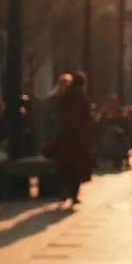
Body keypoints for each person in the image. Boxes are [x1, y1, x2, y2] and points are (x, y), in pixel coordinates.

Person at [47, 72, 96, 205]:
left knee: (65, 168)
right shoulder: (81, 98)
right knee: (76, 169)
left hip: (65, 138)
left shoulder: (65, 97)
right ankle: (73, 195)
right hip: (78, 140)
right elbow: (86, 119)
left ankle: (64, 191)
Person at [40, 73, 72, 156]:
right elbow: (48, 115)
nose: (66, 89)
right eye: (65, 86)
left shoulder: (69, 100)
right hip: (52, 135)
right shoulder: (52, 99)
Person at [96, 95, 128, 170]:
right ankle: (105, 158)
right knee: (106, 139)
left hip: (118, 133)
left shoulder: (119, 111)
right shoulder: (104, 111)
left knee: (115, 138)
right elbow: (99, 122)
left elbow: (123, 123)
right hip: (106, 132)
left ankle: (117, 160)